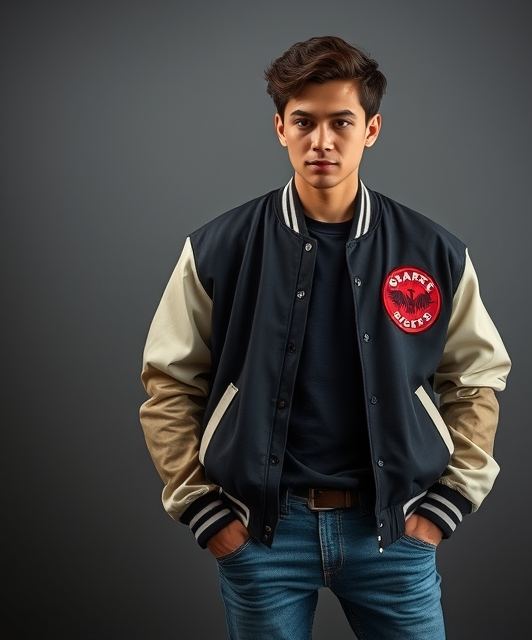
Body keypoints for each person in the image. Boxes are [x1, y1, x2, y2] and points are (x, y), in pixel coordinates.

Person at [139, 35, 512, 640]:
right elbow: (168, 384)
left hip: (393, 533)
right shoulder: (218, 248)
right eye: (303, 122)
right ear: (280, 128)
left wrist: (445, 508)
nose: (321, 141)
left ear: (371, 129)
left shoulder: (432, 251)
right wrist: (207, 514)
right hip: (263, 535)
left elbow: (477, 379)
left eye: (341, 122)